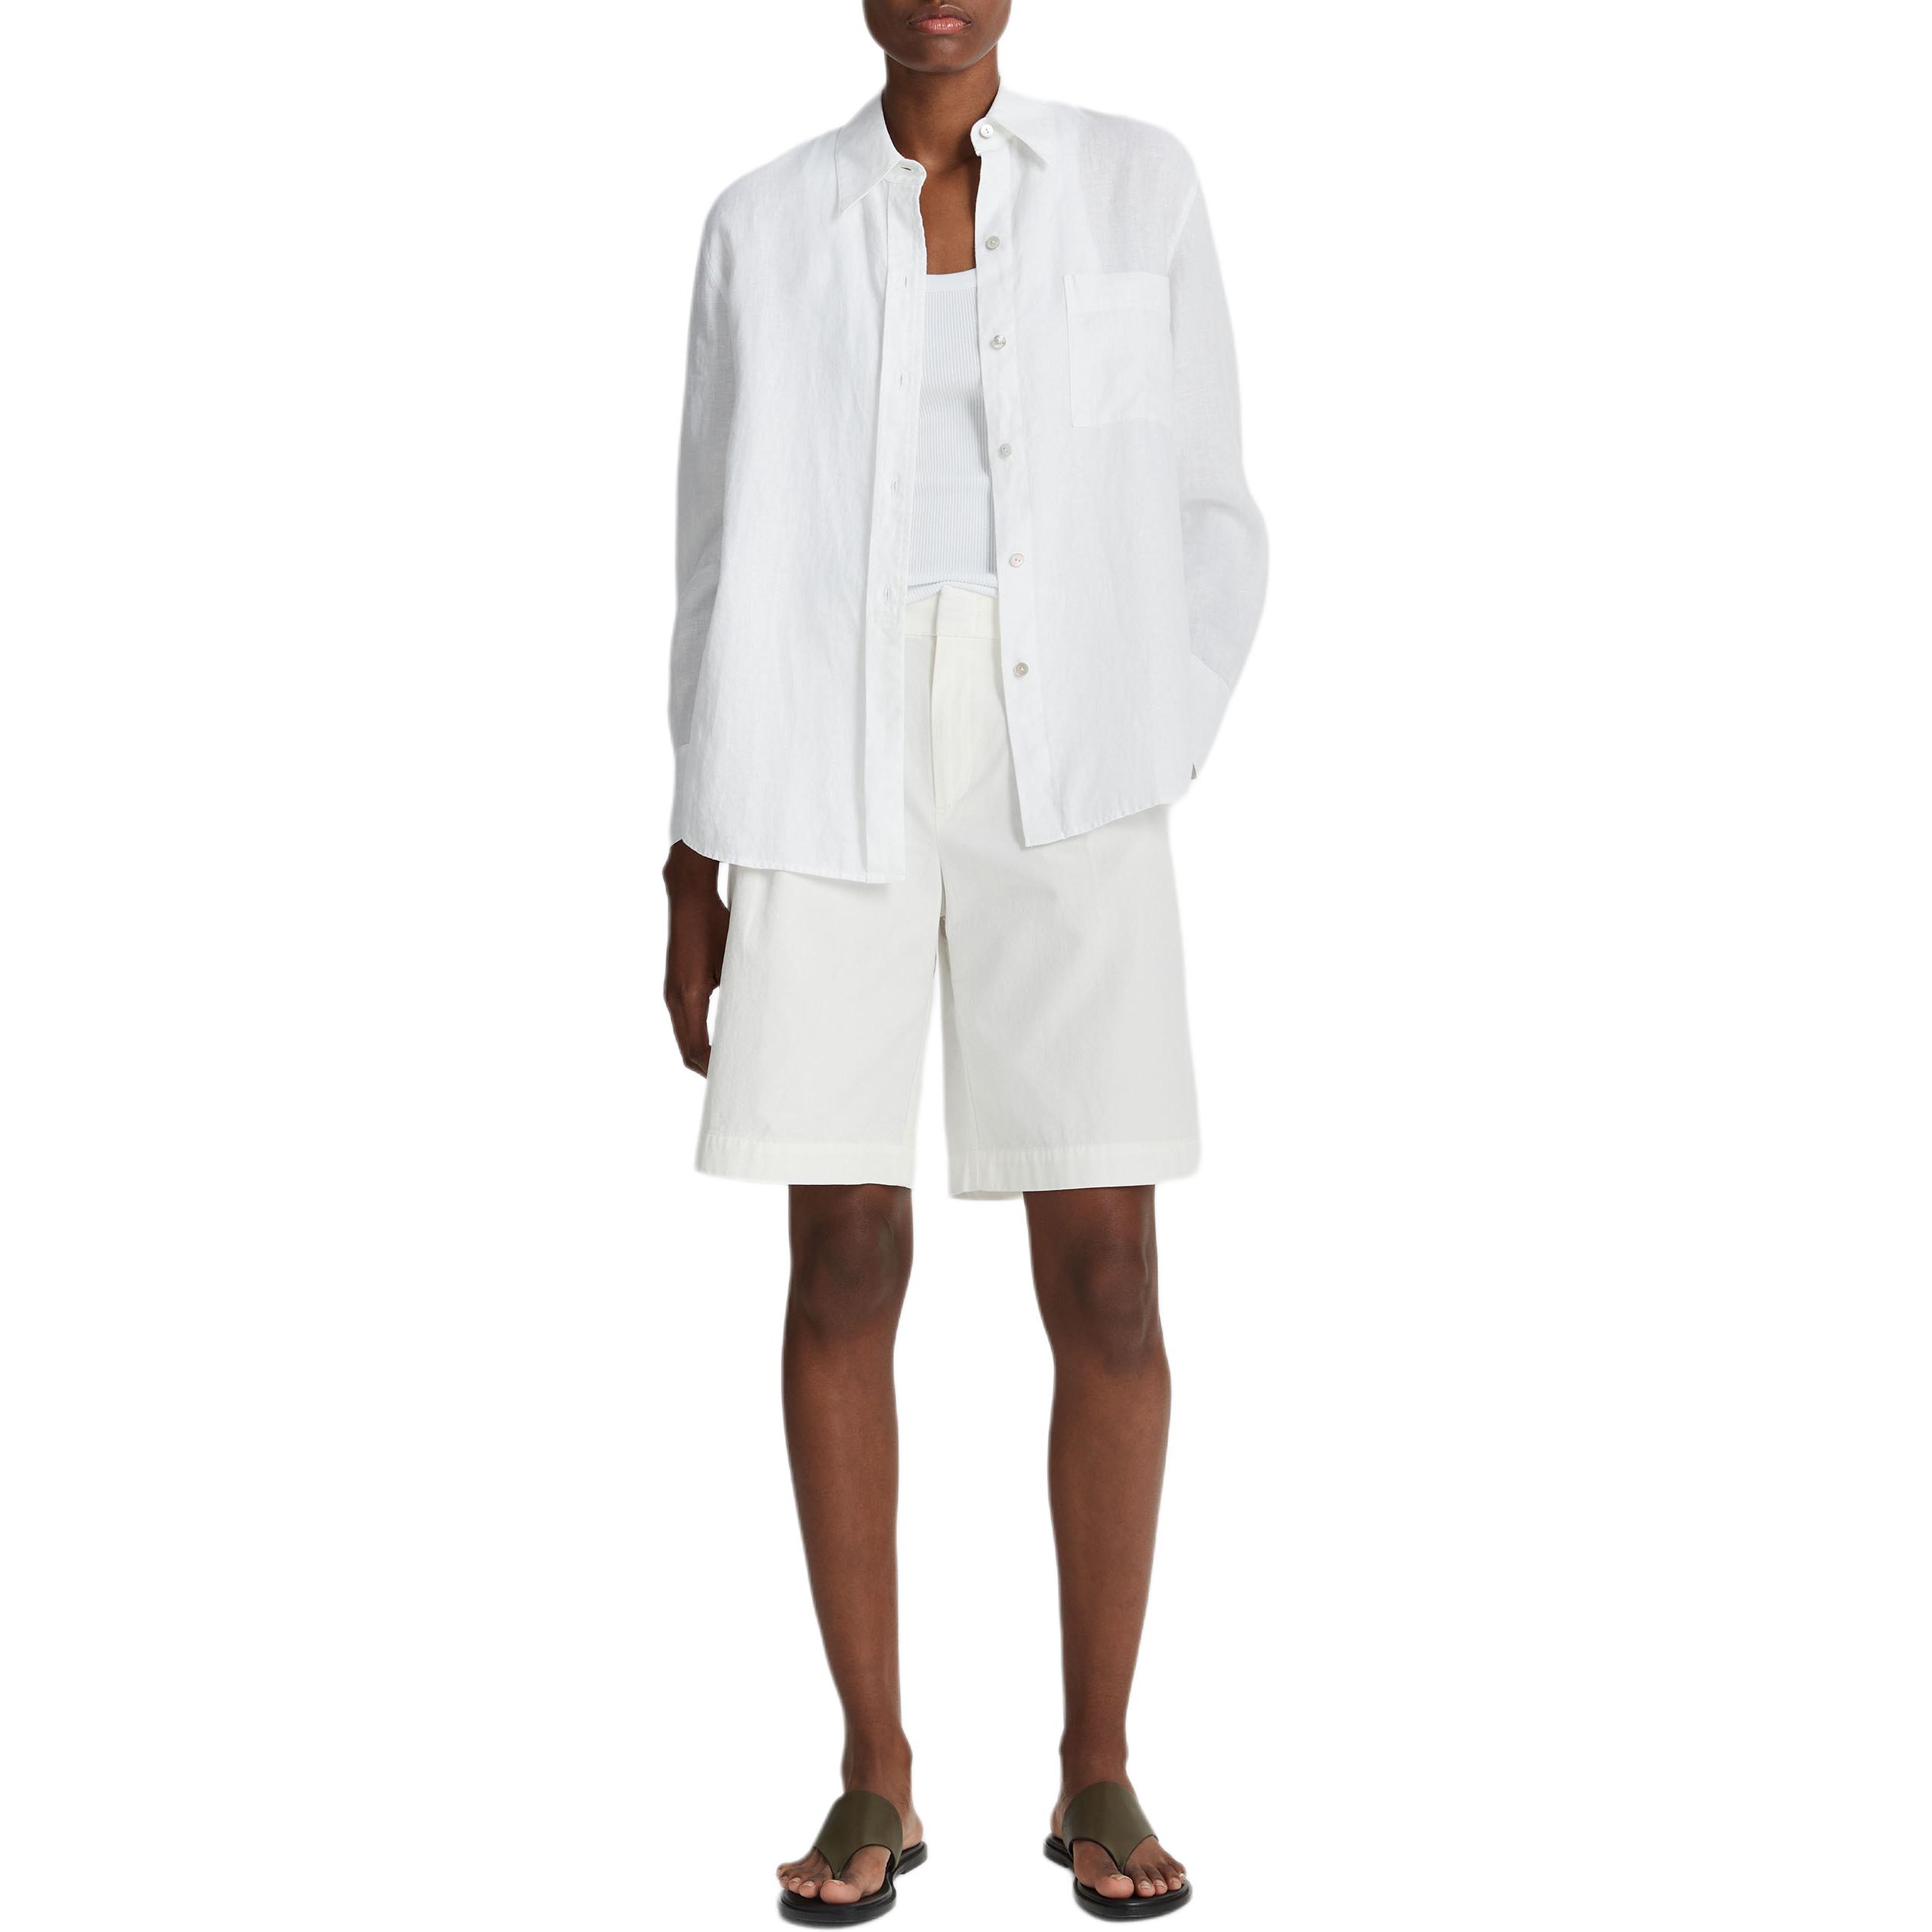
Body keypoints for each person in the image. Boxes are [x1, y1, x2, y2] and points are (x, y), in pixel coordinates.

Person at [663, 1, 1265, 1917]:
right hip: (817, 749)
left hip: (1066, 757)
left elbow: (1212, 510)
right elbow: (709, 551)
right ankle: (874, 1769)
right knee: (842, 1254)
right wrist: (693, 842)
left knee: (1108, 1276)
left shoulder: (1137, 190)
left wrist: (1144, 731)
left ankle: (1097, 1763)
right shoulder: (762, 224)